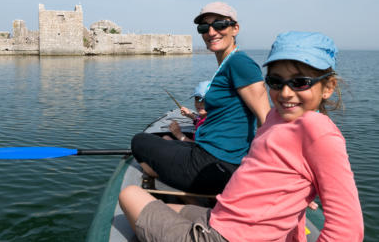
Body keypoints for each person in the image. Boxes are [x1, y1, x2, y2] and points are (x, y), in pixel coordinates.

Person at [119, 31, 364, 241]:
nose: (286, 93)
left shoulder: (318, 132)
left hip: (226, 236)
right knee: (168, 207)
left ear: (328, 87)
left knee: (129, 195)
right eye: (276, 82)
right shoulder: (275, 118)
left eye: (301, 82)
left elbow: (348, 230)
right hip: (222, 219)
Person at [132, 1, 271, 194]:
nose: (212, 32)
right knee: (159, 139)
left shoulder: (240, 63)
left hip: (216, 164)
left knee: (139, 141)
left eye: (220, 25)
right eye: (204, 27)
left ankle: (180, 189)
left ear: (235, 28)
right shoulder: (228, 63)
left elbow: (266, 119)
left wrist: (266, 171)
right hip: (209, 153)